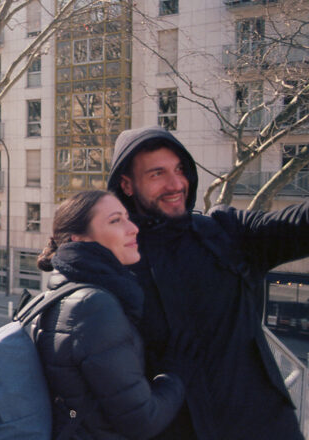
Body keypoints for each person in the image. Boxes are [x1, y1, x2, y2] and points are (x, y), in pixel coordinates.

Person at [107, 126, 308, 439]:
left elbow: (298, 224)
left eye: (180, 169)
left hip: (265, 427)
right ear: (126, 184)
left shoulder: (226, 231)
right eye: (157, 173)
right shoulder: (115, 259)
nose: (176, 184)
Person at [35, 190, 192, 439]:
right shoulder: (94, 307)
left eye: (127, 218)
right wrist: (177, 372)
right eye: (115, 220)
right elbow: (143, 421)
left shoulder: (61, 294)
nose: (133, 228)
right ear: (79, 239)